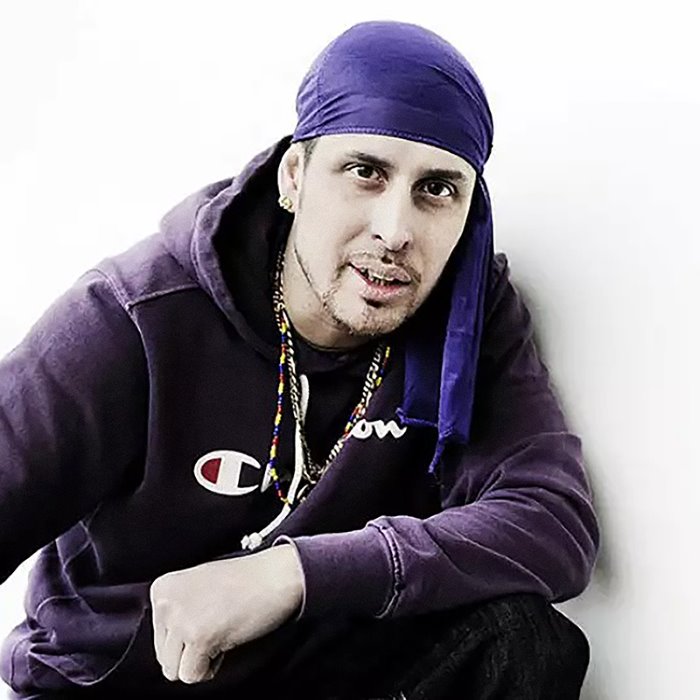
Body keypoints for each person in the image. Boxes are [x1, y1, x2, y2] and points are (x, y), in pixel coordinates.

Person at [0, 19, 599, 700]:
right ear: (294, 175)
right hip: (130, 682)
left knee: (522, 640)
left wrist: (294, 574)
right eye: (365, 173)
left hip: (319, 671)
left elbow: (552, 521)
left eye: (437, 189)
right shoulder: (138, 315)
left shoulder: (467, 315)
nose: (395, 231)